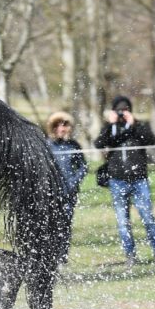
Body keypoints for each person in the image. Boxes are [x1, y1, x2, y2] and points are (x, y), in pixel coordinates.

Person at [93, 95, 155, 269]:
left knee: (148, 218)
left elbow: (150, 140)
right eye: (119, 110)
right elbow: (98, 144)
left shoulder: (139, 126)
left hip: (139, 180)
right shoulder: (109, 128)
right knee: (122, 222)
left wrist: (134, 124)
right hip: (117, 181)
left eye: (125, 109)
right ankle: (130, 255)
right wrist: (111, 124)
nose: (122, 112)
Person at [45, 111, 86, 260]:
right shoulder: (46, 145)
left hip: (69, 193)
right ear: (53, 128)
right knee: (50, 224)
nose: (62, 129)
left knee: (65, 224)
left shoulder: (74, 146)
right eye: (58, 125)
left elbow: (83, 167)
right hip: (50, 192)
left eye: (65, 125)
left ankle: (62, 257)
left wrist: (73, 183)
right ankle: (50, 254)